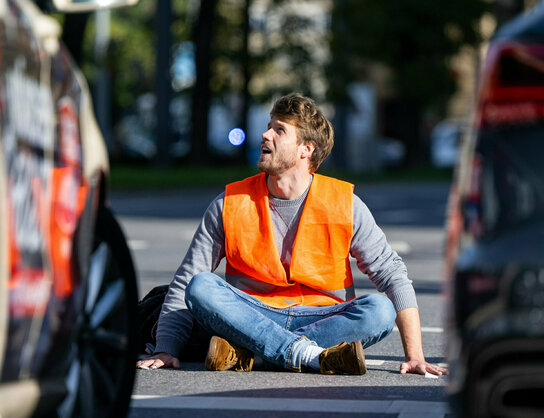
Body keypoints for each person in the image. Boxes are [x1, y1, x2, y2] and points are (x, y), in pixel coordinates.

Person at [136, 93, 448, 376]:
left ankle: (254, 354)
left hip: (322, 316)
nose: (265, 134)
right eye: (269, 126)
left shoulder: (345, 203)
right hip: (250, 313)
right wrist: (166, 348)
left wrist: (416, 355)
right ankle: (304, 354)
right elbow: (188, 278)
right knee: (201, 286)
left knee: (380, 310)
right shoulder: (229, 202)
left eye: (279, 130)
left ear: (306, 149)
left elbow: (392, 274)